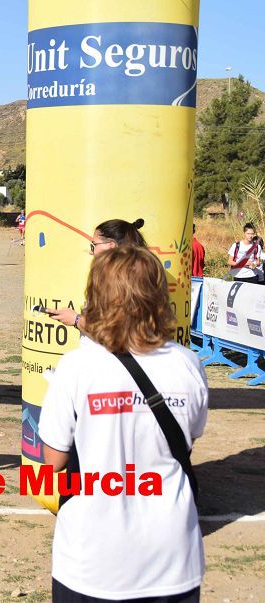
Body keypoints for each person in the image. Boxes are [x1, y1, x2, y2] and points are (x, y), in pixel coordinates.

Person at [39, 245, 207, 602]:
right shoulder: (188, 364)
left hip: (92, 558)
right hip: (172, 555)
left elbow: (52, 462)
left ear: (95, 295)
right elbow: (190, 438)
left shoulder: (76, 368)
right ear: (157, 295)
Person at [48, 218, 147, 332]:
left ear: (111, 245)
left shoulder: (121, 280)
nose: (92, 251)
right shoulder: (138, 273)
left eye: (94, 245)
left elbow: (114, 330)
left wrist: (76, 320)